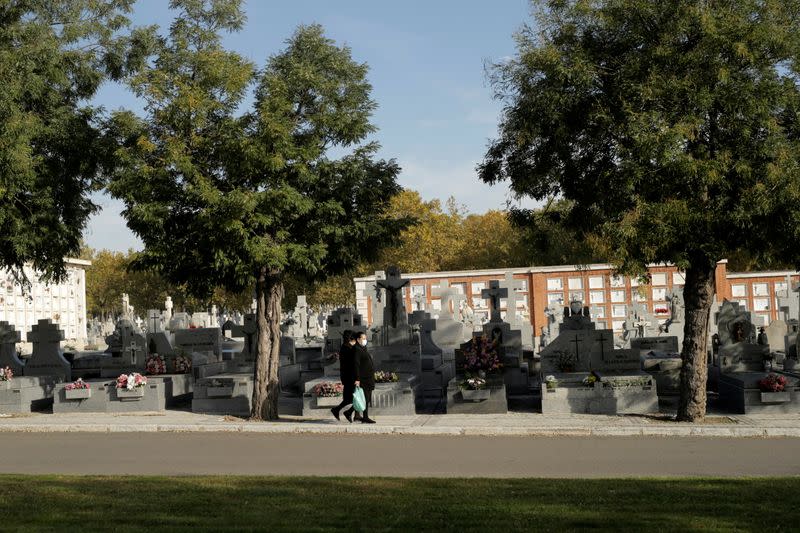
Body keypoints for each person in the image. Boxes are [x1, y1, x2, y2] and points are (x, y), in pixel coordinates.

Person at [345, 330, 376, 424]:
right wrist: (357, 379)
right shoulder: (356, 349)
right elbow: (356, 365)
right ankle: (365, 417)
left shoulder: (362, 348)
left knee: (365, 398)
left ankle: (349, 412)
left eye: (365, 339)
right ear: (358, 339)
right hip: (363, 378)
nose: (365, 340)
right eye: (363, 338)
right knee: (364, 398)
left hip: (368, 377)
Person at [331, 330, 357, 422]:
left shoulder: (346, 347)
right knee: (356, 397)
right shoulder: (347, 348)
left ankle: (338, 410)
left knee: (350, 398)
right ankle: (346, 412)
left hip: (348, 376)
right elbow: (352, 362)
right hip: (349, 377)